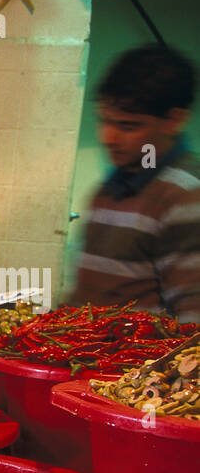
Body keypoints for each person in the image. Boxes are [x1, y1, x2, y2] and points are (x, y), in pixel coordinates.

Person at [73, 45, 200, 323]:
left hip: (140, 365)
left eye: (128, 126)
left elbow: (193, 320)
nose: (108, 137)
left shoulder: (186, 198)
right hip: (91, 361)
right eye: (105, 121)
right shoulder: (111, 187)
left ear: (174, 120)